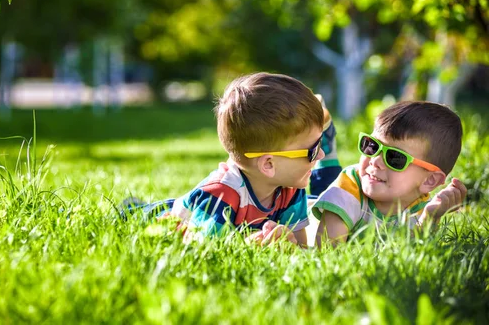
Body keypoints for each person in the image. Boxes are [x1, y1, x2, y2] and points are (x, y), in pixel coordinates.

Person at [123, 72, 341, 246]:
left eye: (320, 145)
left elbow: (301, 247)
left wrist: (289, 242)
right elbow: (201, 249)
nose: (320, 154)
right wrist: (247, 247)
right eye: (312, 151)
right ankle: (135, 209)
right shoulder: (221, 195)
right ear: (268, 164)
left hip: (214, 214)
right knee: (143, 214)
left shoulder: (291, 187)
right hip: (177, 216)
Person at [312, 101, 468, 246]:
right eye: (372, 145)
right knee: (323, 183)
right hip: (316, 202)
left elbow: (412, 254)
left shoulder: (422, 207)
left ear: (430, 180)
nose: (375, 161)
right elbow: (327, 249)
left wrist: (430, 218)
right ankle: (324, 143)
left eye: (394, 157)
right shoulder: (347, 188)